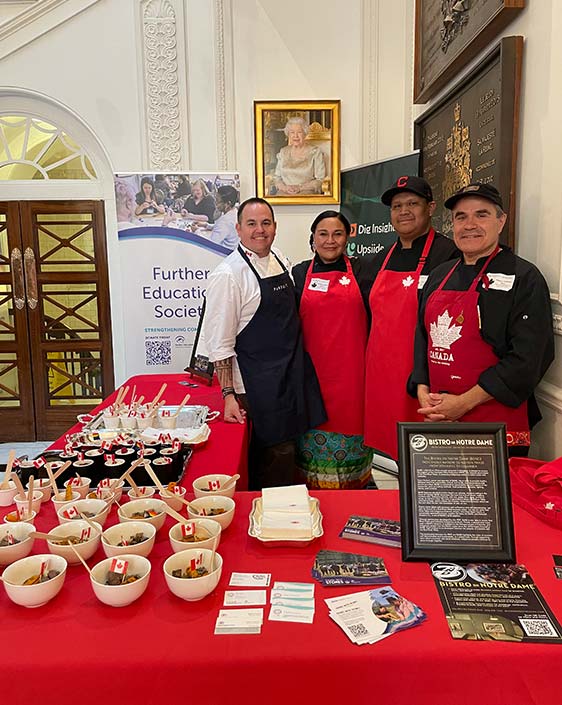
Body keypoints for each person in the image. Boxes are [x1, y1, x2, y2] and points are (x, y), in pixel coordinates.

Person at [411, 183, 554, 456]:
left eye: (482, 214)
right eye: (460, 217)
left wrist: (463, 403)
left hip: (495, 425)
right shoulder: (439, 275)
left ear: (501, 221)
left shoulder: (524, 278)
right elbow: (421, 336)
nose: (469, 224)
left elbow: (528, 358)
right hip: (439, 417)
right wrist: (422, 388)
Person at [203, 197, 326, 489]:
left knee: (290, 454)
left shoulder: (280, 259)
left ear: (275, 227)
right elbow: (219, 343)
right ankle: (270, 519)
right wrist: (228, 395)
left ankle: (291, 513)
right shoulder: (227, 275)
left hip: (289, 375)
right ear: (238, 229)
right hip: (257, 386)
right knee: (272, 459)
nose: (260, 230)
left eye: (266, 223)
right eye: (252, 224)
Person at [363, 175, 459, 459]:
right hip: (382, 373)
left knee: (423, 453)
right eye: (396, 206)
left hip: (424, 372)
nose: (404, 211)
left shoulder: (450, 254)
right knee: (389, 454)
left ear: (430, 208)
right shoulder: (378, 260)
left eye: (412, 203)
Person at [292, 211, 373, 489]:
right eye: (323, 234)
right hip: (312, 376)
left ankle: (354, 494)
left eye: (337, 234)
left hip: (353, 377)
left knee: (353, 442)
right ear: (312, 238)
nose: (330, 240)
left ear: (347, 237)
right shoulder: (299, 273)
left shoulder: (363, 271)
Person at [272, 117, 326, 196]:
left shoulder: (315, 152)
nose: (295, 136)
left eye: (299, 132)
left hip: (306, 192)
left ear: (305, 133)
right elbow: (277, 177)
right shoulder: (283, 152)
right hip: (284, 193)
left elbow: (320, 179)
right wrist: (285, 188)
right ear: (288, 134)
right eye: (292, 132)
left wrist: (300, 188)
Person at [209, 185, 239, 251]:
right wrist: (207, 226)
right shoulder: (234, 212)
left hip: (223, 255)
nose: (215, 203)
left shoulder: (225, 221)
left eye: (217, 201)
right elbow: (224, 229)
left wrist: (197, 232)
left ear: (228, 204)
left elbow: (210, 244)